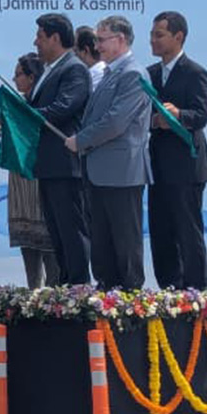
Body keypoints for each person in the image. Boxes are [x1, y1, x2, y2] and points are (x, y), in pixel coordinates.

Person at [65, 15, 151, 289]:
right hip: (100, 170)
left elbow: (115, 121)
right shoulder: (110, 72)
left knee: (125, 240)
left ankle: (129, 298)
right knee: (102, 240)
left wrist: (81, 140)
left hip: (122, 171)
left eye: (102, 40)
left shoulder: (133, 73)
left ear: (121, 39)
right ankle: (107, 292)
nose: (97, 46)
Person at [146, 11, 207, 290]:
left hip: (186, 165)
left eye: (159, 35)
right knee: (161, 232)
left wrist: (177, 115)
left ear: (178, 36)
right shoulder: (148, 75)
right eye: (152, 35)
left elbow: (201, 115)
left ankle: (196, 290)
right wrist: (153, 120)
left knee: (188, 232)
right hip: (157, 164)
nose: (153, 40)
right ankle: (169, 290)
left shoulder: (195, 72)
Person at [28, 12, 91, 284]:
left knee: (72, 231)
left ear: (55, 37)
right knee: (56, 232)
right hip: (48, 164)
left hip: (66, 164)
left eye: (40, 37)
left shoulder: (74, 68)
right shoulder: (47, 71)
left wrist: (25, 115)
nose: (35, 42)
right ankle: (65, 287)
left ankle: (78, 286)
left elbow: (64, 107)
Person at [7, 54, 60, 286]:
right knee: (26, 239)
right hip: (19, 179)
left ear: (31, 77)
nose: (15, 79)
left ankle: (54, 294)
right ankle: (33, 292)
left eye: (18, 74)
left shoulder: (43, 104)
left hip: (39, 174)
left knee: (47, 237)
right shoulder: (18, 105)